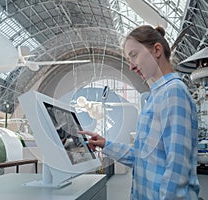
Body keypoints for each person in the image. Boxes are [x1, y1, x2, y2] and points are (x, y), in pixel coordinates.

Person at [79, 25, 200, 199]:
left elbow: (177, 169)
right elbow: (141, 157)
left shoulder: (173, 92)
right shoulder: (156, 95)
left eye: (134, 55)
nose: (131, 67)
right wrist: (106, 144)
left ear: (157, 50)